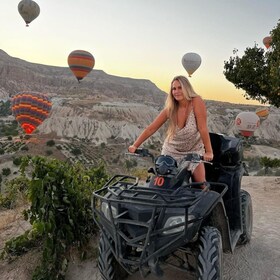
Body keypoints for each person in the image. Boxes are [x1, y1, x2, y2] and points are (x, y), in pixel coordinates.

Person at [128, 75, 213, 184]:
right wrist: (135, 145)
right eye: (174, 89)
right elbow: (151, 128)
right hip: (171, 151)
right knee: (164, 184)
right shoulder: (171, 108)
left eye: (180, 88)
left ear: (186, 88)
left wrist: (209, 152)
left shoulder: (196, 101)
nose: (176, 91)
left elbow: (202, 128)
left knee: (201, 183)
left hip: (193, 152)